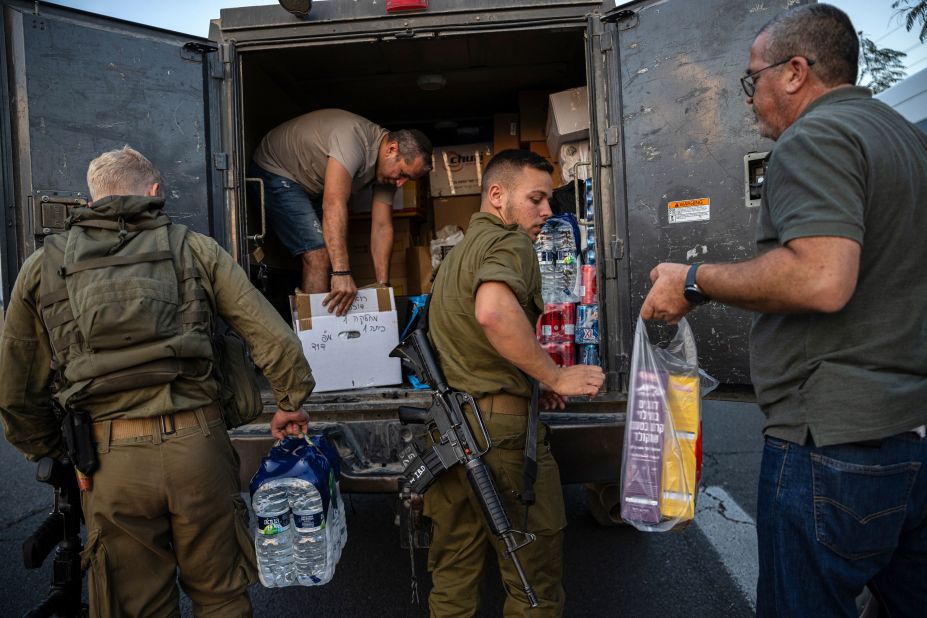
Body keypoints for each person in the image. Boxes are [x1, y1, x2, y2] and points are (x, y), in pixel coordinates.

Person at [640, 4, 927, 616]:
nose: (750, 96)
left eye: (754, 78)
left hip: (831, 442)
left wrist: (693, 278)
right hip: (911, 436)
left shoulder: (816, 136)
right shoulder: (905, 138)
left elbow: (820, 278)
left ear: (795, 72)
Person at [0, 146, 316, 616]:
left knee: (137, 605)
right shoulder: (195, 247)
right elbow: (268, 332)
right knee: (222, 594)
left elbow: (16, 387)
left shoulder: (43, 266)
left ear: (90, 201)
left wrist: (57, 450)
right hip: (198, 449)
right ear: (153, 192)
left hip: (110, 460)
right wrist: (290, 400)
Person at [426, 149, 605, 616]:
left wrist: (531, 379)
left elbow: (470, 340)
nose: (548, 212)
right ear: (498, 195)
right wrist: (556, 375)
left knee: (452, 584)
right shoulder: (511, 243)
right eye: (537, 199)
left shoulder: (458, 254)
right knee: (532, 587)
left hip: (451, 433)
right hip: (499, 438)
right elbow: (492, 313)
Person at [250, 108, 432, 315]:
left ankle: (323, 329)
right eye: (402, 174)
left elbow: (381, 226)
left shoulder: (388, 172)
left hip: (310, 186)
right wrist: (342, 272)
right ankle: (313, 338)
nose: (400, 183)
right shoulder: (352, 140)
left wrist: (383, 285)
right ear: (392, 149)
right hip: (276, 170)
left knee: (331, 253)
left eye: (409, 179)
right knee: (318, 254)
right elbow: (333, 204)